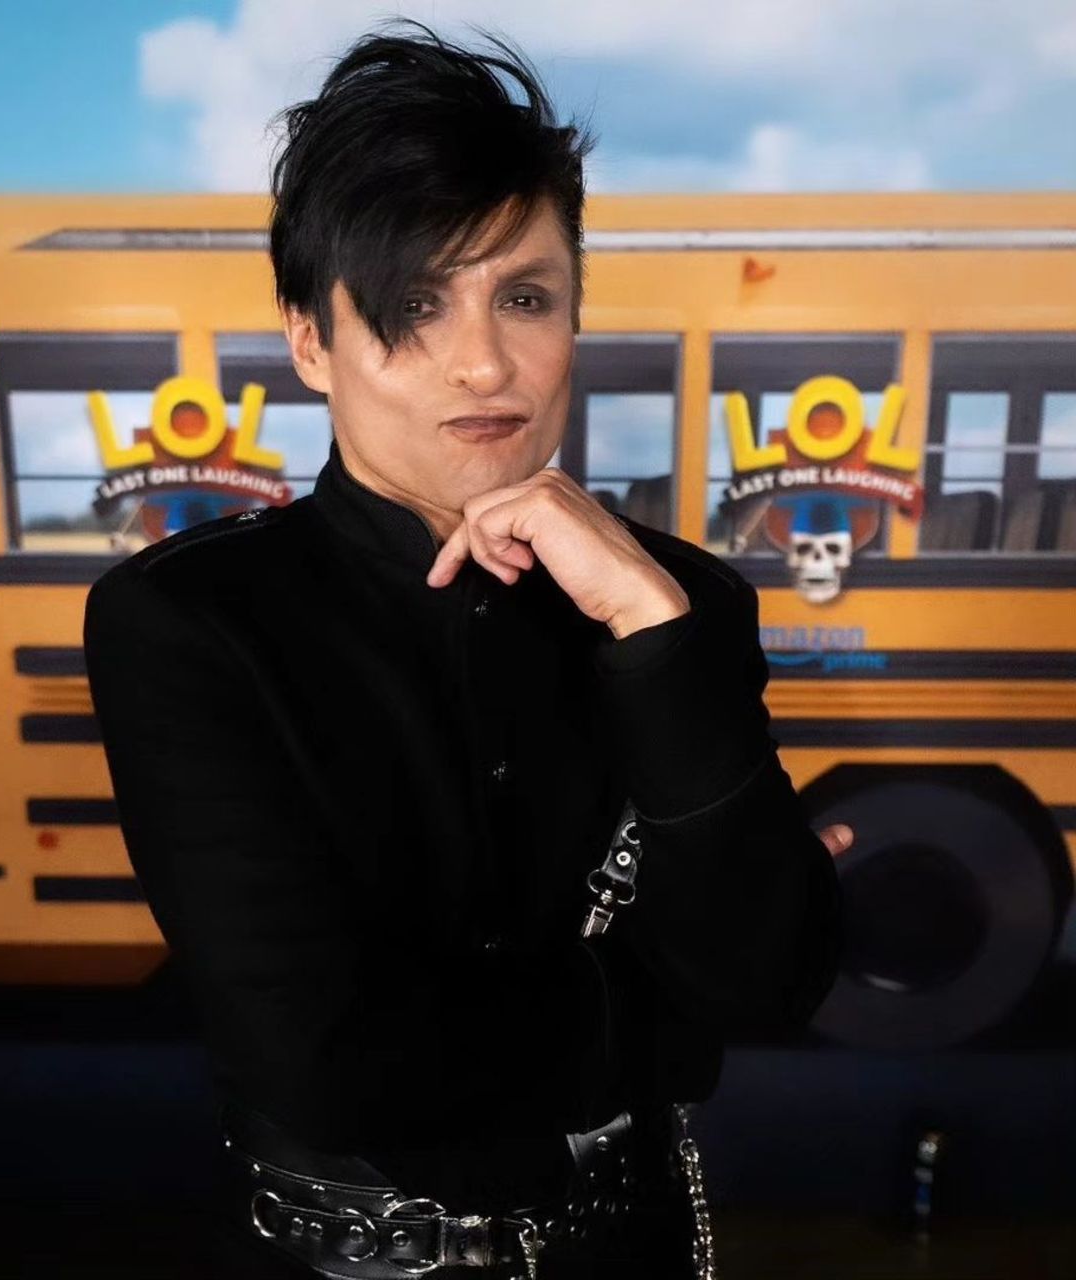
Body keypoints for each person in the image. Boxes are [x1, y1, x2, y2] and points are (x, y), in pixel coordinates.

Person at [82, 19, 848, 1278]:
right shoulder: (193, 620)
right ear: (309, 339)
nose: (485, 361)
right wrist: (664, 1015)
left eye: (524, 297)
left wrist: (651, 637)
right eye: (414, 304)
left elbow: (768, 980)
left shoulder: (679, 601)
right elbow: (328, 1061)